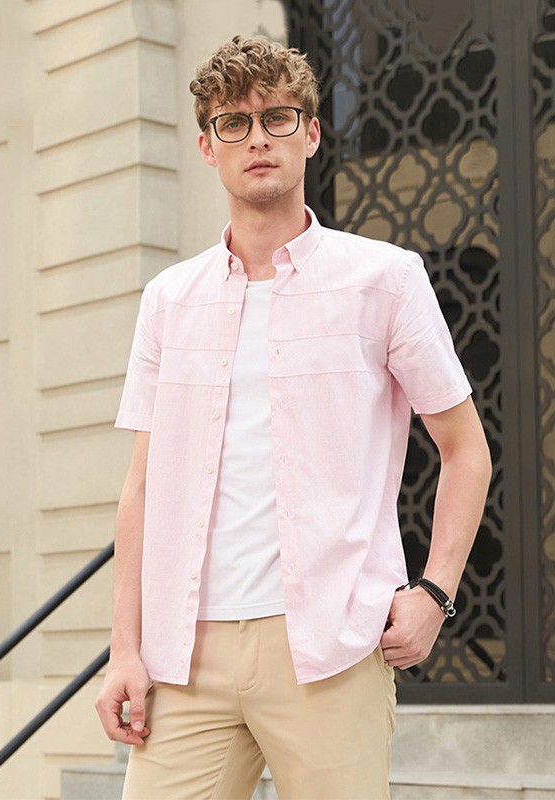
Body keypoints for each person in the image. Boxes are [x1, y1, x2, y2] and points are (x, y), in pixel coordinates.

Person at [95, 34, 492, 800]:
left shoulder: (384, 280)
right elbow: (141, 488)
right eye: (234, 123)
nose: (258, 139)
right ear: (208, 147)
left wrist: (435, 594)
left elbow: (464, 448)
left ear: (310, 133)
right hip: (186, 657)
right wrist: (124, 648)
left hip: (329, 645)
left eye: (277, 118)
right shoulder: (168, 301)